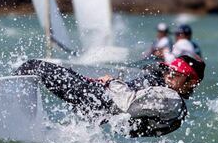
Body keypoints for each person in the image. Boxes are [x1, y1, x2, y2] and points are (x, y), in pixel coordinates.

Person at [14, 55, 205, 137]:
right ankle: (27, 123)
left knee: (34, 66)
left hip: (101, 103)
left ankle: (12, 112)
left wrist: (110, 82)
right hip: (103, 107)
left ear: (191, 82)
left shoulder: (170, 98)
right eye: (170, 71)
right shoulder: (170, 92)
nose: (169, 76)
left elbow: (128, 103)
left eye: (176, 75)